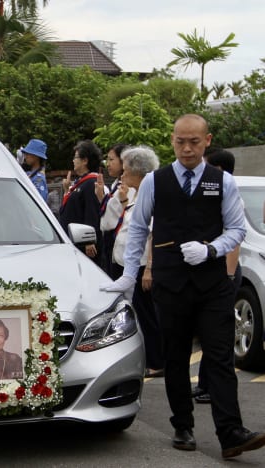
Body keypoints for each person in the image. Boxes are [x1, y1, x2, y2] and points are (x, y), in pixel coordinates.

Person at [102, 114, 265, 459]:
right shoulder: (154, 182)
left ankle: (231, 432)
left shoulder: (222, 182)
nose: (187, 148)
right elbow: (138, 229)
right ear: (173, 141)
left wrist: (210, 249)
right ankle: (182, 425)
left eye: (194, 141)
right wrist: (131, 274)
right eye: (180, 141)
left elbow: (236, 230)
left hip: (213, 283)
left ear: (207, 140)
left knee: (220, 358)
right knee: (175, 356)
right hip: (171, 281)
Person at [101, 146, 163, 378]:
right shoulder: (132, 193)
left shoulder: (153, 193)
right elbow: (108, 224)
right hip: (126, 264)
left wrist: (149, 268)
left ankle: (157, 361)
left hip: (141, 267)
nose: (122, 175)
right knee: (135, 314)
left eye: (126, 170)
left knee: (147, 315)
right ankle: (145, 357)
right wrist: (120, 200)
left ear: (139, 172)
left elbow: (153, 233)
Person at [192, 148, 242, 405]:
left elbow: (234, 242)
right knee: (207, 330)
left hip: (226, 271)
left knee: (219, 333)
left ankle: (213, 389)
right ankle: (203, 385)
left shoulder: (230, 197)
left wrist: (229, 276)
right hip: (213, 268)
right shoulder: (213, 195)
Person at [59, 140, 104, 266]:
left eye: (76, 157)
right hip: (74, 242)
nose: (73, 160)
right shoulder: (81, 182)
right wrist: (67, 190)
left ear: (85, 160)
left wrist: (89, 239)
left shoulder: (91, 183)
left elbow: (92, 211)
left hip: (83, 244)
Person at [96, 144, 131, 278]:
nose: (108, 164)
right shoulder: (116, 184)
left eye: (111, 160)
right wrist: (101, 196)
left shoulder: (129, 185)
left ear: (123, 161)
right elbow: (111, 211)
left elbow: (125, 212)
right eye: (107, 160)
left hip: (121, 240)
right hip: (110, 240)